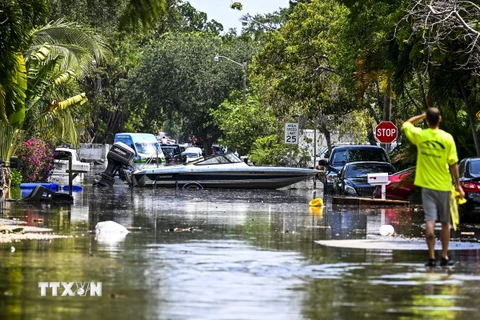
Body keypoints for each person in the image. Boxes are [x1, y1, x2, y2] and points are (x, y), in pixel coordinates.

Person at [402, 108, 465, 267]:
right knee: (445, 223)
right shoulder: (447, 138)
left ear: (427, 120)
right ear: (440, 119)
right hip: (444, 186)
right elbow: (453, 164)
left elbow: (406, 124)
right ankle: (444, 256)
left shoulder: (421, 136)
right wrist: (458, 186)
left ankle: (431, 257)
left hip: (427, 187)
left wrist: (423, 115)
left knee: (430, 221)